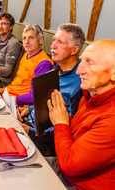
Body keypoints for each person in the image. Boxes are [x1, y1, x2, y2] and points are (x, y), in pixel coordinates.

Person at [47, 39, 115, 189]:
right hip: (65, 169)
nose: (78, 71)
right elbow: (75, 132)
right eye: (82, 61)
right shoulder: (90, 96)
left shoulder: (111, 119)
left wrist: (60, 123)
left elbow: (69, 165)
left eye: (89, 62)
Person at [18, 23, 85, 156]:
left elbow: (69, 127)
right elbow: (47, 102)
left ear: (74, 50)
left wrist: (29, 132)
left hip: (46, 141)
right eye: (54, 40)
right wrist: (28, 110)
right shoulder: (55, 69)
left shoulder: (81, 82)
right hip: (32, 123)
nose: (52, 46)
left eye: (60, 42)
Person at [7, 24, 54, 106]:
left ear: (40, 40)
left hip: (20, 103)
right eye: (24, 38)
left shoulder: (44, 63)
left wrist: (11, 99)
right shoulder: (26, 55)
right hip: (10, 93)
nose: (26, 42)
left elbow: (35, 95)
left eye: (31, 38)